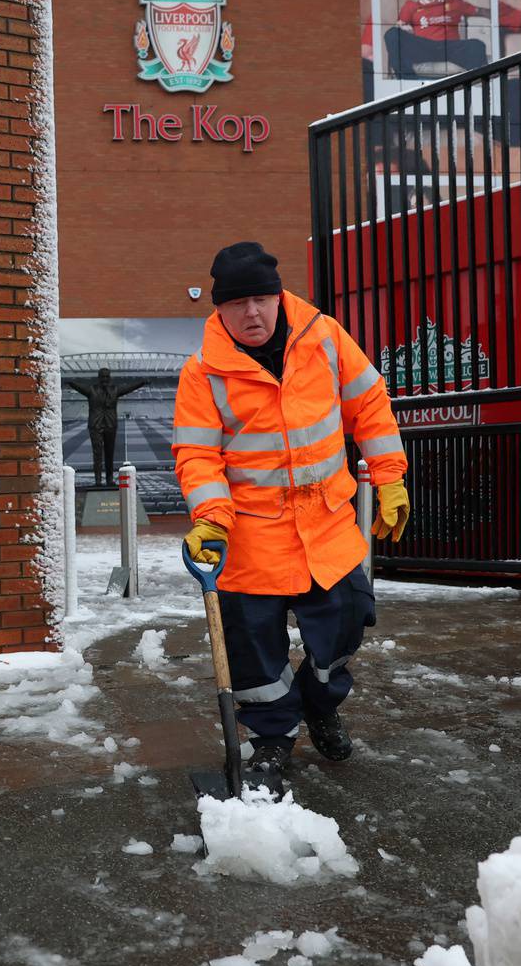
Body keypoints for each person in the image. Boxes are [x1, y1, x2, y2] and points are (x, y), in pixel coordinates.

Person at [171, 242, 410, 794]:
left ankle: (321, 706)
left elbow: (369, 402)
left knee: (346, 630)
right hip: (252, 537)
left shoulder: (324, 338)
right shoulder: (203, 373)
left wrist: (390, 474)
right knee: (253, 649)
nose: (252, 313)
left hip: (327, 527)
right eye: (238, 304)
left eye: (261, 299)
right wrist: (210, 518)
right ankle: (273, 739)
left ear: (277, 297)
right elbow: (198, 454)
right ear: (219, 309)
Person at [385, 0, 490, 78]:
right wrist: (404, 29)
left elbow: (482, 11)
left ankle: (477, 86)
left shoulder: (454, 2)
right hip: (425, 48)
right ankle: (406, 81)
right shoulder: (410, 6)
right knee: (392, 34)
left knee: (477, 45)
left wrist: (496, 13)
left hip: (450, 48)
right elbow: (399, 27)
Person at [66, 367, 148, 487]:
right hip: (95, 425)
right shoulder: (91, 390)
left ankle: (109, 480)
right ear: (99, 378)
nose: (104, 379)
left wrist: (141, 383)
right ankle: (98, 481)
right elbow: (78, 386)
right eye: (102, 377)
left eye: (106, 377)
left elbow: (129, 388)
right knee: (97, 454)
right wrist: (69, 382)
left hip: (110, 425)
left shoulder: (115, 390)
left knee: (110, 454)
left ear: (109, 378)